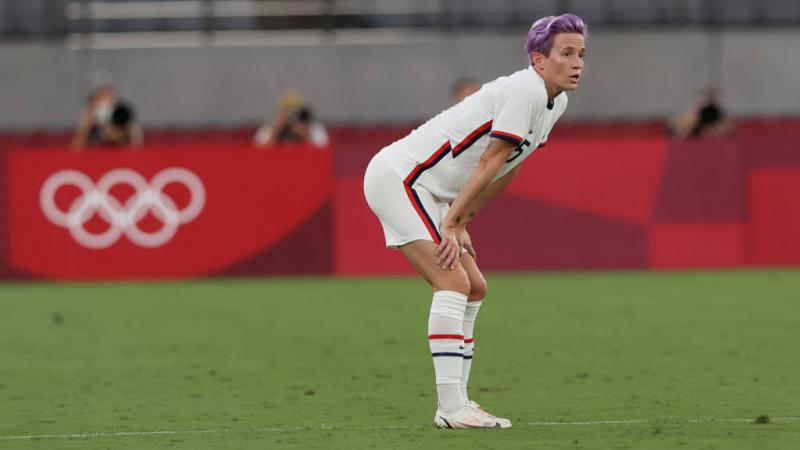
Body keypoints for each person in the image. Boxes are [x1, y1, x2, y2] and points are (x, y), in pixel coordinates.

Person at [362, 14, 588, 429]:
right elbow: (489, 160)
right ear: (539, 59)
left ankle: (458, 403)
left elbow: (509, 167)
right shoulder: (525, 88)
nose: (577, 63)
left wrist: (461, 220)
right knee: (452, 281)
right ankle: (450, 408)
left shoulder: (555, 101)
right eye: (566, 53)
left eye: (581, 54)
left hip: (425, 189)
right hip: (401, 177)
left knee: (474, 287)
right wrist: (451, 223)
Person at [71, 85, 143, 150]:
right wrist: (84, 128)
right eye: (101, 103)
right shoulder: (90, 125)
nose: (105, 108)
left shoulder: (127, 122)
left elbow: (134, 148)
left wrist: (110, 129)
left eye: (110, 102)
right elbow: (74, 151)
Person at [253, 90, 329, 148]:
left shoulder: (315, 128)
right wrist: (276, 130)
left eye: (295, 113)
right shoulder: (270, 128)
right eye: (288, 112)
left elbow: (322, 151)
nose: (292, 118)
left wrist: (305, 134)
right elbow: (257, 149)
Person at [668, 88, 735, 139]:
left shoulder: (720, 123)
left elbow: (730, 132)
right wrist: (692, 119)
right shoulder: (685, 119)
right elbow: (677, 134)